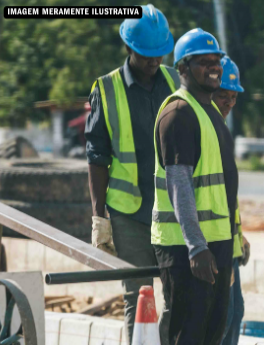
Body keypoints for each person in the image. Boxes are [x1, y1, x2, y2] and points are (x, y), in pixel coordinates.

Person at [85, 5, 177, 343]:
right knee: (138, 297)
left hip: (172, 212)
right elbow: (97, 157)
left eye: (159, 54)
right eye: (146, 55)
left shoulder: (176, 83)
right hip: (129, 214)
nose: (154, 61)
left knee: (178, 297)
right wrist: (99, 218)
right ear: (129, 48)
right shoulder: (106, 89)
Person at [152, 28, 237, 345]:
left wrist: (229, 248)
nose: (214, 67)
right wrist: (197, 246)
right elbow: (179, 184)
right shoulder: (179, 114)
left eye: (217, 60)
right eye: (204, 62)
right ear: (183, 69)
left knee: (211, 336)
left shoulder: (211, 112)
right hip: (186, 249)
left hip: (215, 244)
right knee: (187, 337)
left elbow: (224, 188)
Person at [212, 56, 251, 345]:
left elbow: (226, 196)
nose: (228, 102)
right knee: (221, 316)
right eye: (222, 95)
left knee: (234, 313)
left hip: (227, 240)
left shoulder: (221, 130)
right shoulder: (202, 127)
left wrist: (240, 236)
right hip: (209, 243)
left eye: (233, 97)